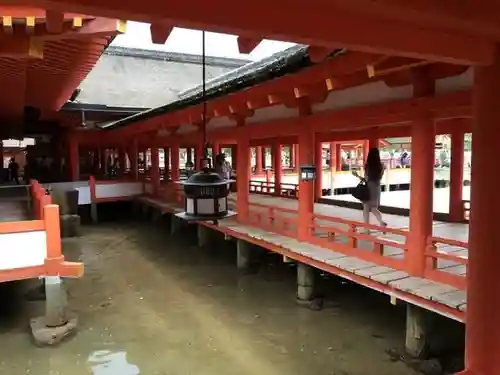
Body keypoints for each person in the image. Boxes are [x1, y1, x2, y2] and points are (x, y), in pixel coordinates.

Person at [353, 148, 387, 231]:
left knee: (366, 208)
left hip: (369, 188)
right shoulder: (381, 165)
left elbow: (365, 179)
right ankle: (381, 222)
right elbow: (380, 176)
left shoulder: (368, 165)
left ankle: (367, 228)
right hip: (377, 187)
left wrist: (357, 175)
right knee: (374, 208)